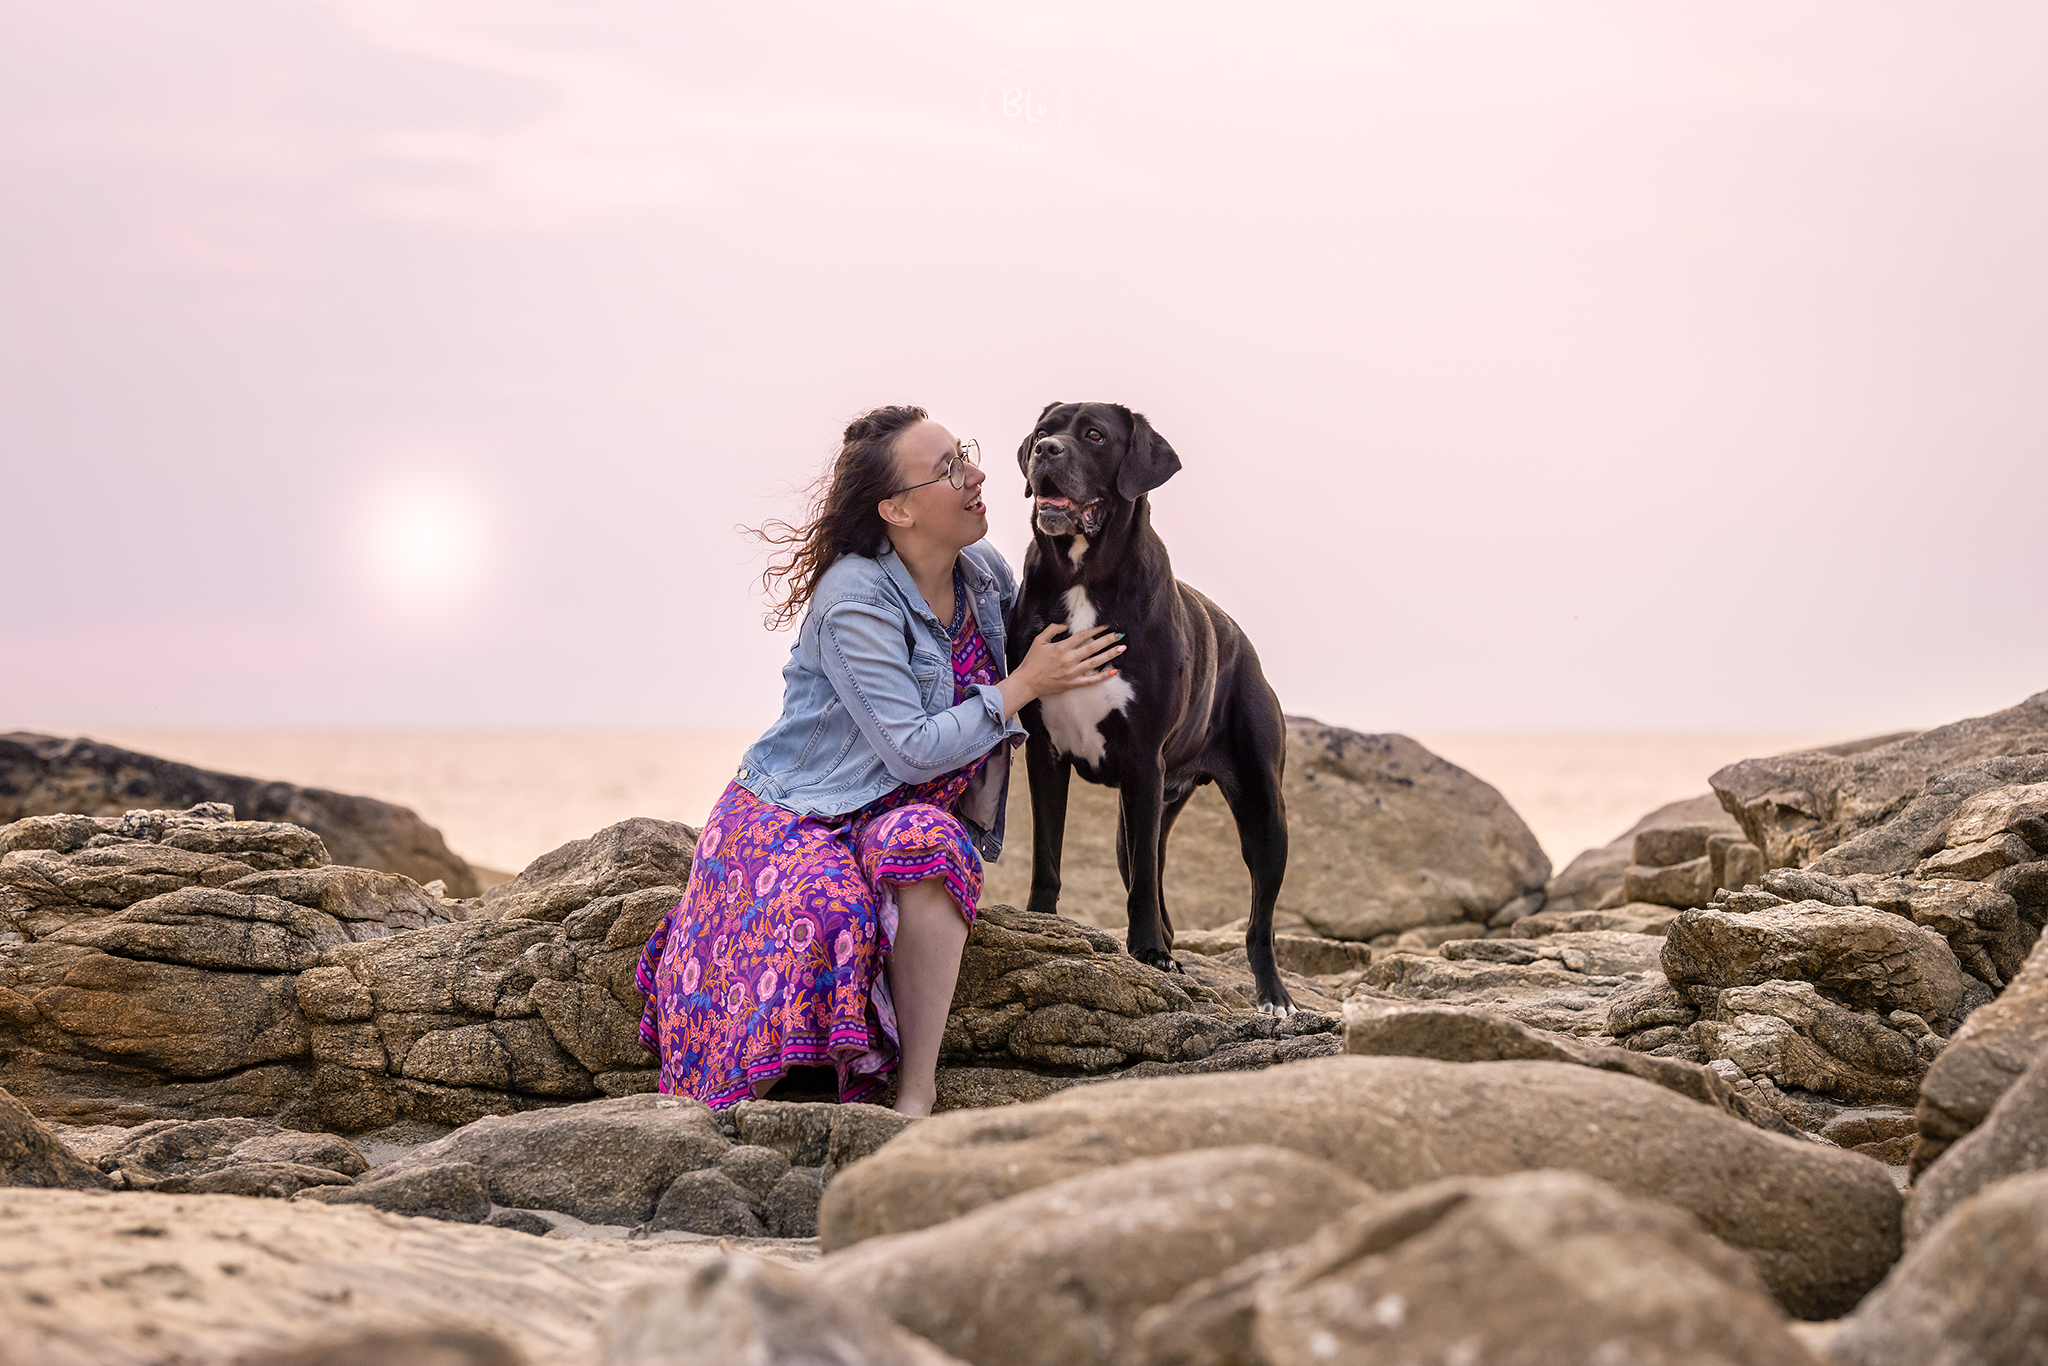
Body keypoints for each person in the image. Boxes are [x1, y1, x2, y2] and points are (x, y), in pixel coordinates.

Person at [636, 405, 1123, 1117]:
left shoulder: (982, 574)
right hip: (796, 816)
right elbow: (912, 748)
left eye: (969, 455)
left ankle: (913, 1100)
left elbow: (1056, 644)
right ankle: (719, 1111)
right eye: (951, 468)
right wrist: (1020, 689)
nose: (980, 475)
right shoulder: (855, 599)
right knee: (826, 908)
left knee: (934, 842)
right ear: (897, 508)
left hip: (894, 815)